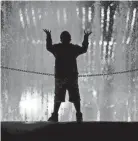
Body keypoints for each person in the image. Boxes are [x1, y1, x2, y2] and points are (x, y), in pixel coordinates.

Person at [43, 29, 92, 122]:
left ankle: (55, 115)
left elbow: (48, 47)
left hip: (60, 77)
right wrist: (85, 38)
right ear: (70, 39)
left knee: (58, 96)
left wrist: (48, 36)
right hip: (71, 77)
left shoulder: (57, 48)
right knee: (75, 96)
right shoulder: (73, 48)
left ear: (61, 39)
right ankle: (78, 115)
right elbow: (84, 49)